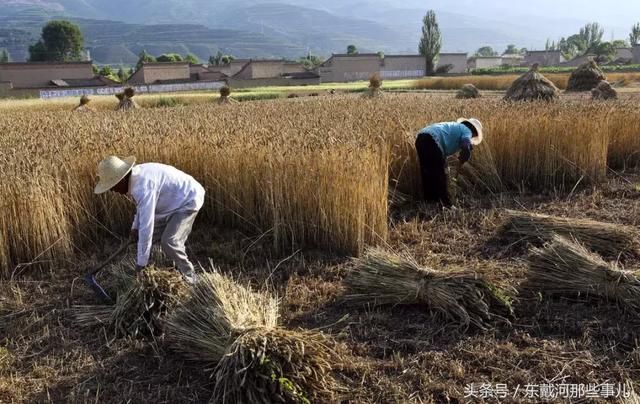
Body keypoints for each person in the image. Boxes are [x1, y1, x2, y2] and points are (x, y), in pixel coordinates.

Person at [94, 156, 205, 283]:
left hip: (188, 199)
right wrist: (135, 227)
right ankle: (161, 271)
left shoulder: (143, 186)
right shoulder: (135, 179)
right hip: (169, 203)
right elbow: (141, 209)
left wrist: (141, 264)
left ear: (122, 179)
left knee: (170, 242)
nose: (113, 190)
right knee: (147, 240)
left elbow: (147, 226)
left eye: (113, 185)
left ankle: (191, 278)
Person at [415, 118, 484, 207]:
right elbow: (465, 141)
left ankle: (430, 201)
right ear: (473, 130)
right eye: (474, 135)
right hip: (431, 140)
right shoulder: (467, 130)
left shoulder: (454, 127)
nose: (472, 137)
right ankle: (446, 204)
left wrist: (444, 163)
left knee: (427, 172)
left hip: (421, 138)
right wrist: (466, 151)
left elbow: (441, 150)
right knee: (440, 175)